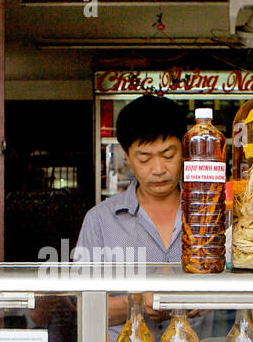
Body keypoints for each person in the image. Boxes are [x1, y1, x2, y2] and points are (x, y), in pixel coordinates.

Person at [75, 93, 188, 327]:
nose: (158, 169)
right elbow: (85, 307)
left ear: (184, 149)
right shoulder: (100, 221)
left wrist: (202, 299)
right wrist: (138, 302)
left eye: (169, 155)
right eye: (145, 159)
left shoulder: (211, 216)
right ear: (126, 156)